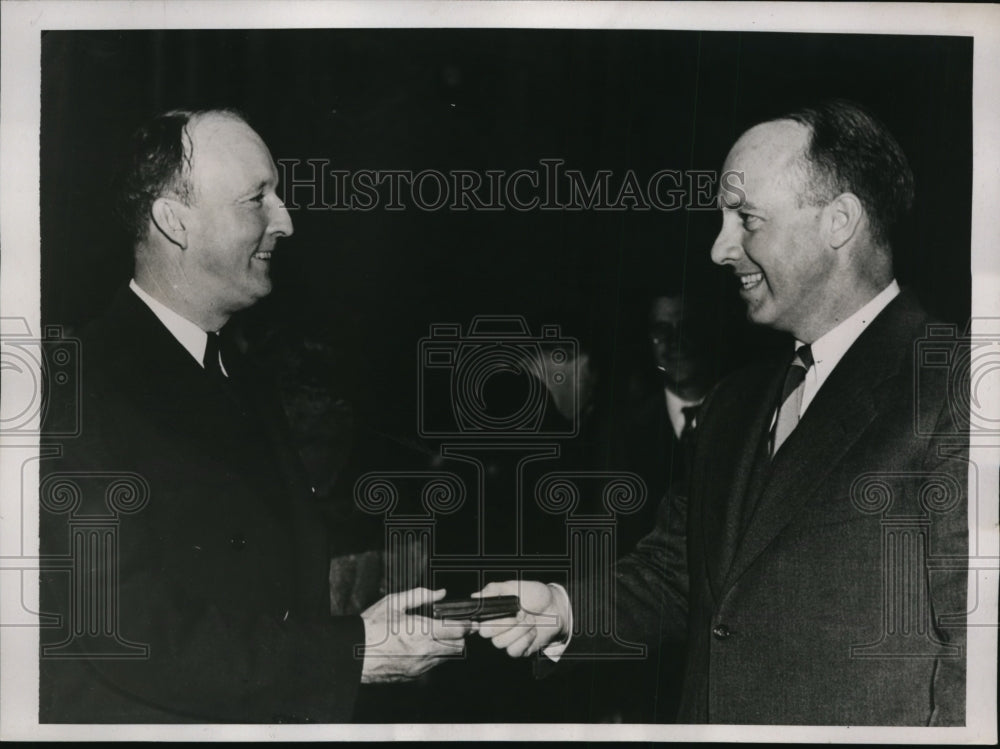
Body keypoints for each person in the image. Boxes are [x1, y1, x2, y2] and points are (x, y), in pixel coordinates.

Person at [474, 100, 968, 725]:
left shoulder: (957, 387)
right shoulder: (734, 403)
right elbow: (679, 576)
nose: (718, 248)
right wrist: (563, 609)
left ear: (839, 222)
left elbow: (976, 657)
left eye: (746, 219)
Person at [39, 109, 470, 723]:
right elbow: (127, 633)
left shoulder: (242, 376)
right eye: (256, 199)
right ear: (173, 220)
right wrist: (349, 654)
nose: (286, 221)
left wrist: (362, 633)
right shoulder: (73, 387)